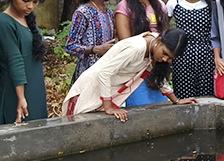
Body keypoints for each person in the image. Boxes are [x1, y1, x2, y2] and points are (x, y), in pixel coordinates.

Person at [63, 29, 197, 121]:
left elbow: (159, 77)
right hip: (89, 90)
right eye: (165, 54)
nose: (165, 60)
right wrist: (108, 107)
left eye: (170, 58)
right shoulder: (137, 48)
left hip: (105, 94)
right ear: (158, 42)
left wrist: (176, 101)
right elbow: (104, 73)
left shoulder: (155, 46)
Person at [0, 0, 49, 125]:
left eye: (35, 2)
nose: (30, 6)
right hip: (15, 91)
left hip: (34, 88)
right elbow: (15, 60)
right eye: (25, 0)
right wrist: (21, 98)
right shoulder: (4, 23)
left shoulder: (28, 18)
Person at [114, 0, 170, 106]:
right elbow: (125, 43)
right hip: (135, 70)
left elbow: (165, 38)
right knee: (140, 110)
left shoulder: (160, 6)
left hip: (158, 69)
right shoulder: (125, 7)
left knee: (161, 110)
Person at [166, 0, 216, 99]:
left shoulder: (211, 3)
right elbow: (164, 29)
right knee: (184, 97)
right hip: (182, 57)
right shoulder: (174, 3)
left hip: (207, 57)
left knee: (207, 98)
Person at [64, 0, 117, 79]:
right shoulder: (83, 12)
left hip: (106, 72)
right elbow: (70, 46)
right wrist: (95, 49)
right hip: (87, 74)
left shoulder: (108, 13)